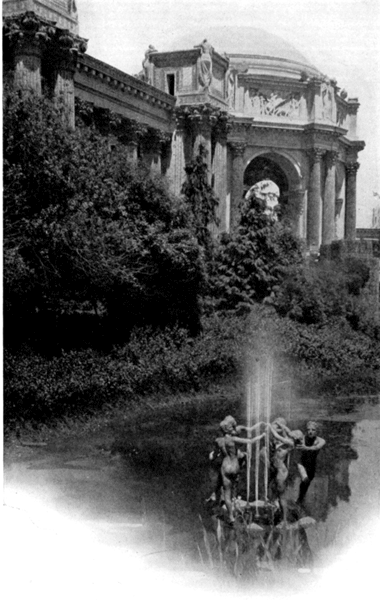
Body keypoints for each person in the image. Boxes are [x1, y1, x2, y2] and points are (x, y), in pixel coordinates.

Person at [209, 415, 266, 524]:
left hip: (225, 467)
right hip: (234, 467)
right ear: (231, 428)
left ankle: (231, 517)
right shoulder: (233, 439)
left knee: (226, 492)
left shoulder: (218, 441)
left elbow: (215, 455)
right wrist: (262, 435)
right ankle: (236, 500)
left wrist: (212, 456)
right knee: (235, 480)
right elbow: (251, 441)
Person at [295, 421, 325, 504]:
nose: (310, 432)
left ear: (317, 431)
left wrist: (306, 448)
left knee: (307, 483)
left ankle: (301, 498)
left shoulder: (321, 440)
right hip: (301, 463)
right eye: (308, 430)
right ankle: (299, 500)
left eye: (313, 430)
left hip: (312, 465)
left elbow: (317, 447)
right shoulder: (302, 438)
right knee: (305, 480)